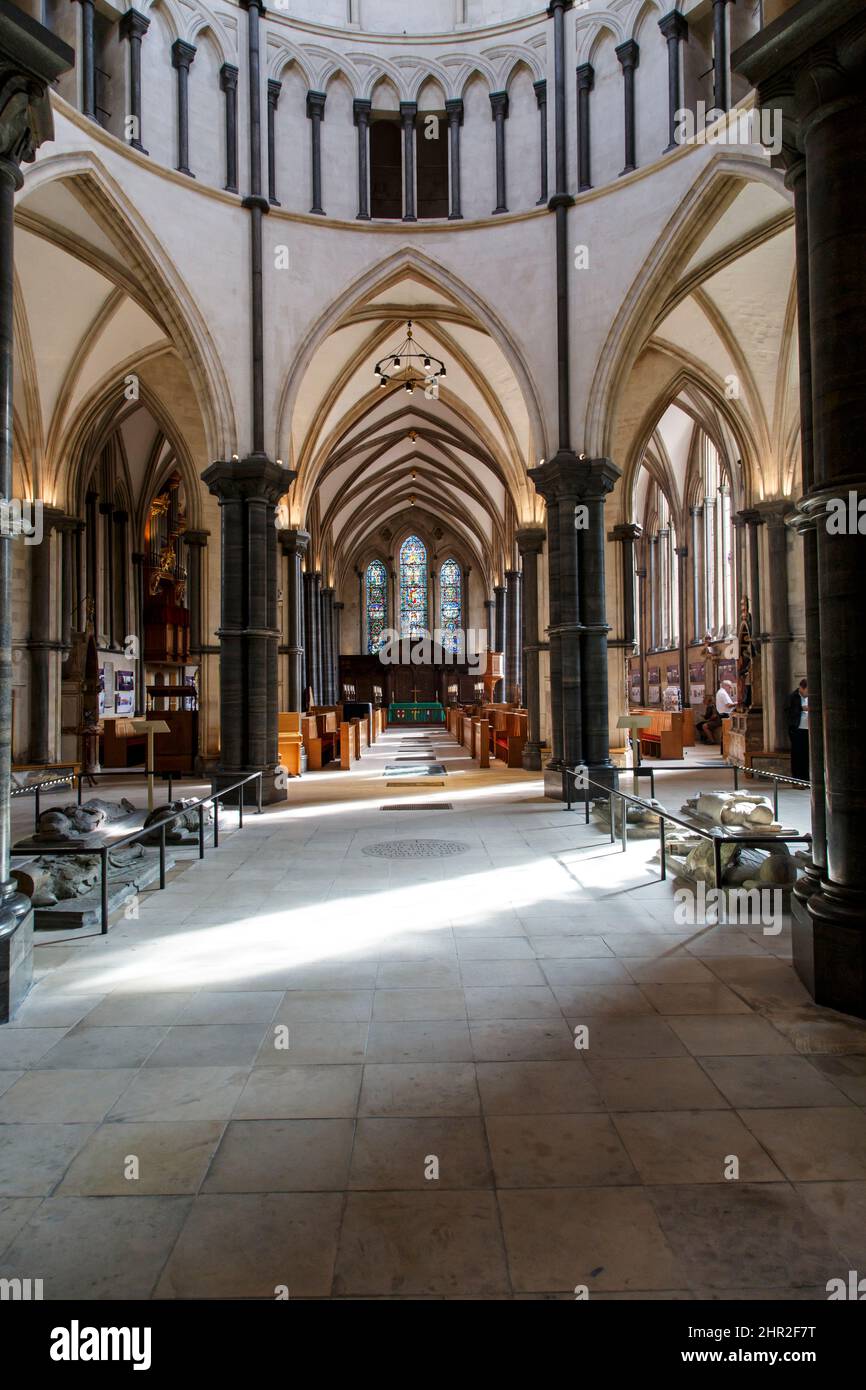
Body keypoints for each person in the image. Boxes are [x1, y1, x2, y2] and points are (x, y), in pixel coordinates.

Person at [787, 678, 809, 780]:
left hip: (808, 730)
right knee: (797, 755)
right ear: (802, 688)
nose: (808, 693)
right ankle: (797, 779)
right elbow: (788, 712)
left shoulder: (810, 697)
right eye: (807, 690)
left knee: (807, 755)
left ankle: (806, 779)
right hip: (797, 729)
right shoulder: (793, 697)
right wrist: (801, 708)